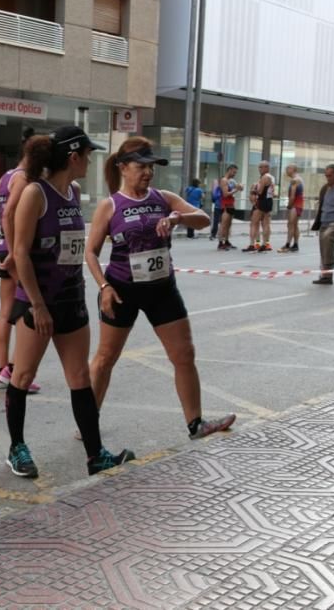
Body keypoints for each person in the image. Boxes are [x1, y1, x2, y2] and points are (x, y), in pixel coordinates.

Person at [86, 137, 236, 446]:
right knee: (105, 358)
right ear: (123, 168)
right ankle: (88, 420)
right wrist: (103, 286)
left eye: (151, 167)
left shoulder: (163, 198)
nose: (147, 173)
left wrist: (177, 216)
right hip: (122, 290)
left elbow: (204, 218)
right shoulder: (110, 205)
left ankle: (195, 422)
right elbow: (90, 252)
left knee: (184, 354)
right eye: (140, 166)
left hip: (162, 289)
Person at [4, 126, 132, 480]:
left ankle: (96, 455)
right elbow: (20, 253)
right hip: (38, 302)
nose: (91, 162)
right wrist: (37, 305)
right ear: (73, 157)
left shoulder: (73, 192)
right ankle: (16, 447)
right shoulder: (35, 194)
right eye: (88, 155)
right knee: (24, 374)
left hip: (71, 298)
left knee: (79, 376)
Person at [0, 127, 41, 393]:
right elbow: (5, 215)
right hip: (14, 252)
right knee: (24, 308)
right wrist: (15, 247)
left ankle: (0, 371)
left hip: (2, 250)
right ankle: (15, 370)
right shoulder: (23, 179)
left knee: (6, 310)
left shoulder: (6, 176)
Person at [243, 161, 274, 251]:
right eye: (259, 167)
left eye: (261, 167)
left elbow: (259, 192)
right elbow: (272, 192)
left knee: (254, 223)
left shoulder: (264, 178)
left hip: (261, 202)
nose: (259, 169)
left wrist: (253, 190)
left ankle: (253, 244)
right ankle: (265, 244)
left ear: (266, 168)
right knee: (266, 224)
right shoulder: (271, 178)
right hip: (268, 202)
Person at [278, 164, 304, 252]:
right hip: (299, 205)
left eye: (287, 169)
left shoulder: (294, 180)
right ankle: (295, 244)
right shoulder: (299, 178)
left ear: (292, 169)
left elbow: (292, 196)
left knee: (290, 225)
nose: (286, 170)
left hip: (295, 205)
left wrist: (289, 206)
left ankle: (288, 244)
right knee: (295, 225)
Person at [217, 165, 242, 250]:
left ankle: (226, 241)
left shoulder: (231, 181)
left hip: (231, 204)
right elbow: (225, 194)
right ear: (230, 170)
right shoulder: (224, 180)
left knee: (228, 225)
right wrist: (236, 190)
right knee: (223, 225)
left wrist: (239, 187)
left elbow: (238, 187)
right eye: (234, 172)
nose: (235, 174)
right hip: (225, 205)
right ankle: (220, 243)